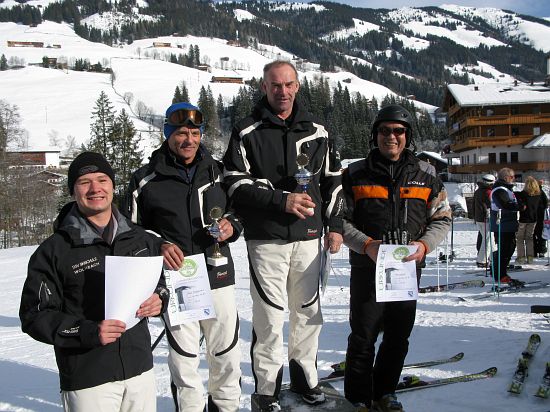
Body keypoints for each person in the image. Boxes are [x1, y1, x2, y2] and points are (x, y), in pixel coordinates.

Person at [222, 60, 344, 411]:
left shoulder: (318, 131)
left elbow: (333, 182)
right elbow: (234, 183)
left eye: (289, 84)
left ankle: (306, 378)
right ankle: (267, 389)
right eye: (275, 85)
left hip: (309, 238)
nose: (283, 91)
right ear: (264, 87)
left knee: (308, 313)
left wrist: (335, 226)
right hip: (267, 239)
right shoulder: (246, 130)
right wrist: (282, 200)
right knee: (269, 316)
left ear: (298, 86)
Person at [19, 152, 169, 412]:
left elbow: (161, 284)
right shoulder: (54, 251)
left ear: (113, 185)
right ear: (72, 191)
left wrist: (160, 299)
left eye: (102, 180)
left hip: (140, 370)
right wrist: (88, 331)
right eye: (84, 182)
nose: (95, 188)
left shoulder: (140, 239)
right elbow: (35, 315)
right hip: (88, 378)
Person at [125, 102, 242, 412]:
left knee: (226, 353)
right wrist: (159, 244)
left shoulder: (218, 171)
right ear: (167, 134)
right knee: (184, 359)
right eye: (180, 133)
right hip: (178, 279)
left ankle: (226, 407)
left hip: (218, 272)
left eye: (194, 133)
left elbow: (239, 209)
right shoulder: (145, 180)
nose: (189, 140)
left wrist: (232, 225)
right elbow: (130, 232)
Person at [341, 104, 451, 412]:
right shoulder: (354, 174)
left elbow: (442, 217)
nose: (392, 136)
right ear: (375, 135)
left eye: (398, 131)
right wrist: (366, 245)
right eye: (385, 130)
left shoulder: (426, 175)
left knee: (398, 336)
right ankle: (359, 398)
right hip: (368, 268)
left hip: (406, 271)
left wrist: (424, 245)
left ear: (408, 136)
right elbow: (339, 220)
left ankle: (385, 392)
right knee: (363, 336)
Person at [490, 168, 525, 283]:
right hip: (502, 225)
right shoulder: (499, 190)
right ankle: (500, 275)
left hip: (508, 224)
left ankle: (499, 272)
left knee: (508, 249)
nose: (514, 179)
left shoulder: (506, 189)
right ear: (506, 178)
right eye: (512, 177)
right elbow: (504, 205)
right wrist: (519, 207)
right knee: (505, 250)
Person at [515, 176, 542, 264]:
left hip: (523, 219)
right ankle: (530, 257)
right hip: (533, 219)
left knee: (520, 238)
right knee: (529, 238)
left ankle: (521, 257)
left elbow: (515, 194)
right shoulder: (538, 195)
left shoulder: (523, 194)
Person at [473, 174, 496, 268]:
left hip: (479, 218)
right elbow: (492, 205)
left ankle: (493, 258)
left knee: (490, 239)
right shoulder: (488, 192)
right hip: (486, 218)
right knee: (488, 239)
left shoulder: (478, 191)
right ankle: (481, 260)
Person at [534, 179, 549, 258]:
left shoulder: (530, 192)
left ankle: (534, 251)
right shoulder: (541, 192)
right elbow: (546, 204)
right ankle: (541, 251)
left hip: (533, 216)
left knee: (533, 235)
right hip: (540, 216)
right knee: (541, 234)